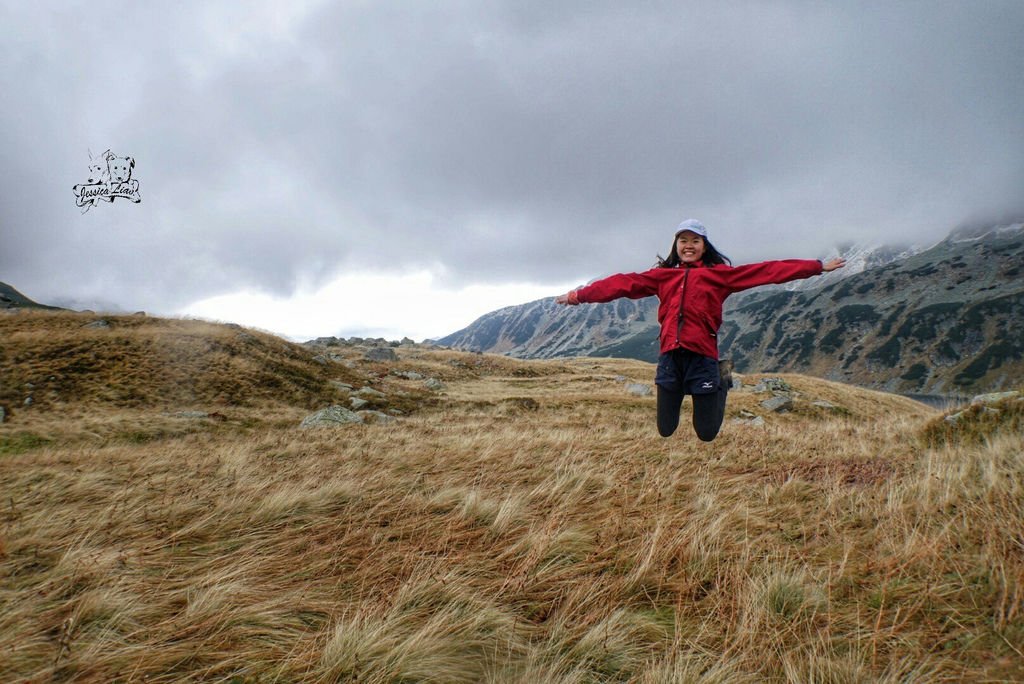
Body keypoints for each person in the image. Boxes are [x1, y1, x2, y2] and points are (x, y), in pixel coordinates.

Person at [555, 219, 846, 441]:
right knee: (665, 429)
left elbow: (767, 271)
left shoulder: (720, 276)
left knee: (706, 433)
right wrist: (579, 296)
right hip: (670, 357)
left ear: (704, 246)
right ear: (676, 246)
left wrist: (817, 266)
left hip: (703, 357)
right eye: (683, 240)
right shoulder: (662, 277)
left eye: (695, 240)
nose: (689, 245)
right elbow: (622, 284)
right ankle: (688, 390)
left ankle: (722, 380)